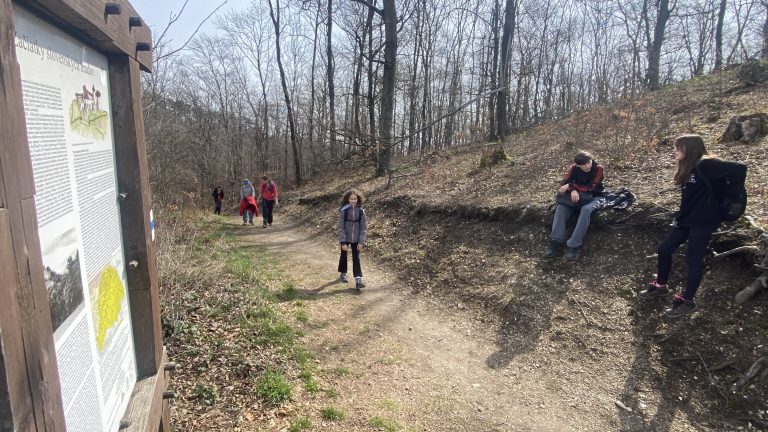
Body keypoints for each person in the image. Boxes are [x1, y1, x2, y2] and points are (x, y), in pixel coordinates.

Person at [640, 134, 747, 318]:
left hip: (705, 221)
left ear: (689, 148)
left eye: (678, 147)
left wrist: (731, 196)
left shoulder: (707, 164)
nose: (674, 150)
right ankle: (660, 285)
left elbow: (740, 168)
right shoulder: (688, 166)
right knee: (664, 249)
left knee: (693, 259)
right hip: (686, 218)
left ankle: (687, 300)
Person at [543, 150, 605, 260]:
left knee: (586, 210)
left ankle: (574, 245)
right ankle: (555, 241)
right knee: (561, 207)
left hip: (594, 196)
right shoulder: (574, 168)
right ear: (577, 165)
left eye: (589, 162)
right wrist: (572, 190)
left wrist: (571, 186)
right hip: (577, 196)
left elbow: (591, 187)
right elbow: (564, 182)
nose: (587, 166)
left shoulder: (598, 168)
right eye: (584, 164)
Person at [338, 189, 367, 290]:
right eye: (351, 199)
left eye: (355, 199)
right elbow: (340, 227)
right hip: (345, 236)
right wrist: (343, 242)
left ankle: (358, 279)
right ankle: (343, 273)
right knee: (343, 254)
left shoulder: (361, 211)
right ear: (347, 199)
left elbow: (363, 228)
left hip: (357, 237)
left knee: (356, 257)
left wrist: (361, 242)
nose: (353, 200)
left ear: (358, 199)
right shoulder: (344, 210)